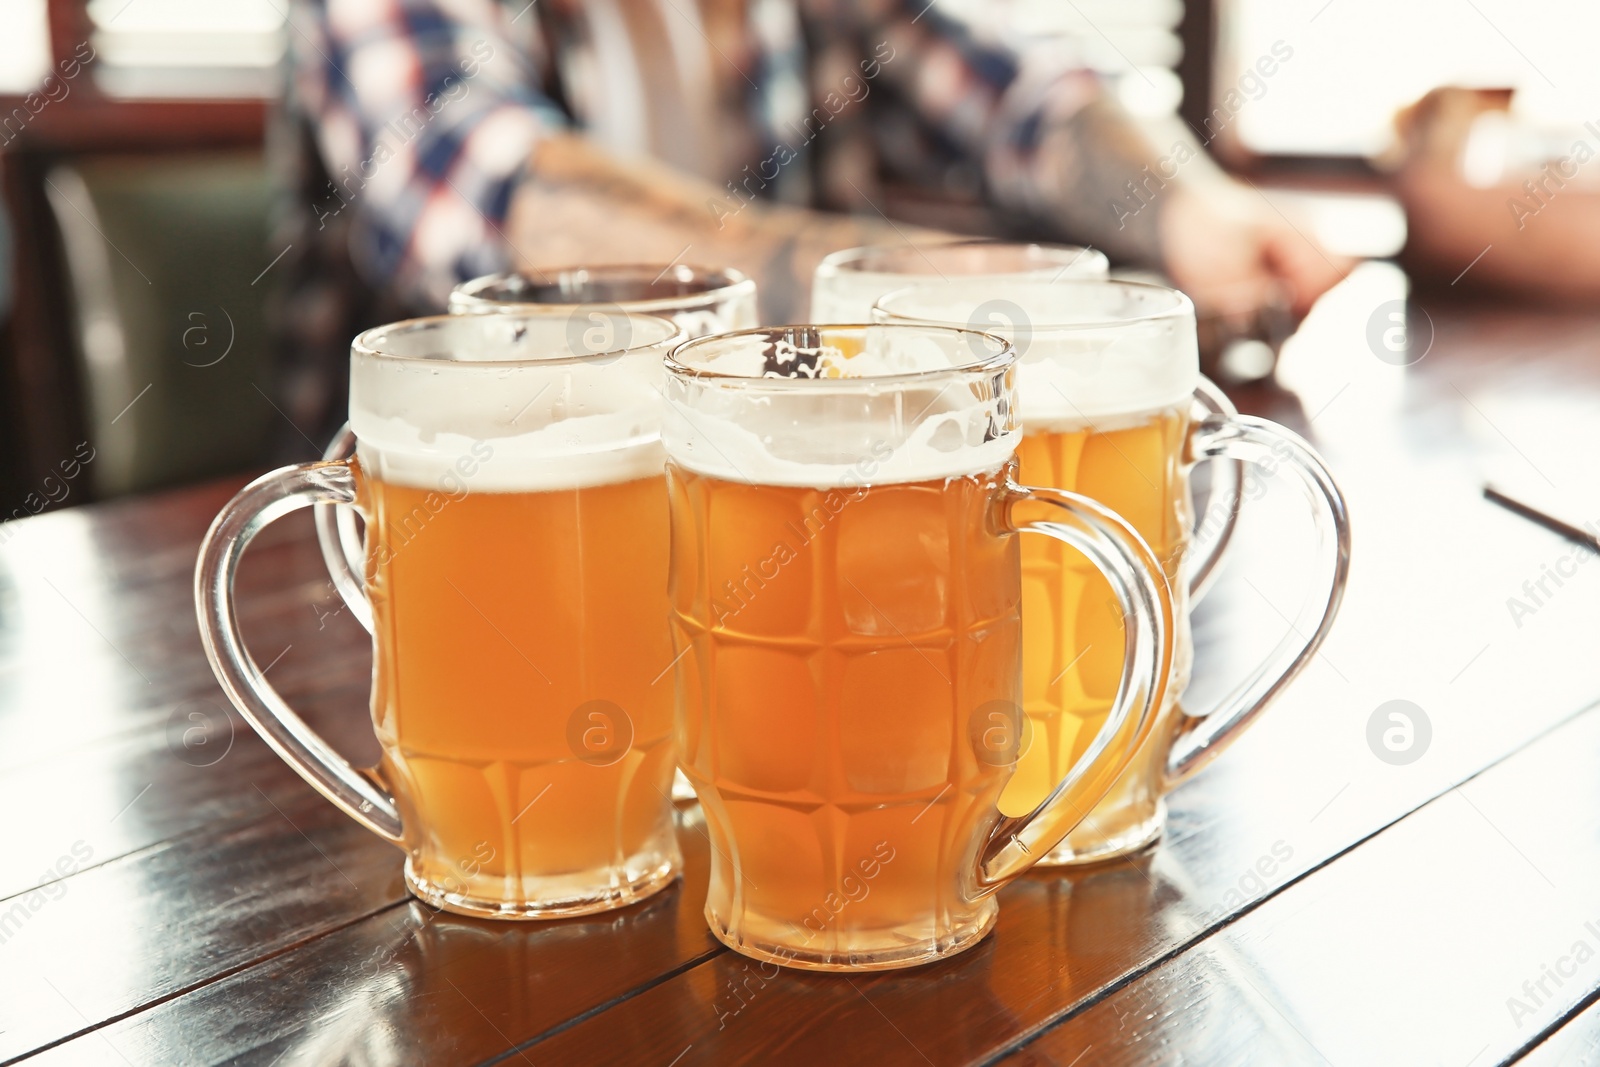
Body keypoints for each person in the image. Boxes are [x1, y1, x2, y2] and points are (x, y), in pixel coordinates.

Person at [274, 0, 1348, 445]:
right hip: (453, 532)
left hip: (769, 479)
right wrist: (909, 299)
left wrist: (1192, 207)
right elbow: (489, 191)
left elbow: (1023, 88)